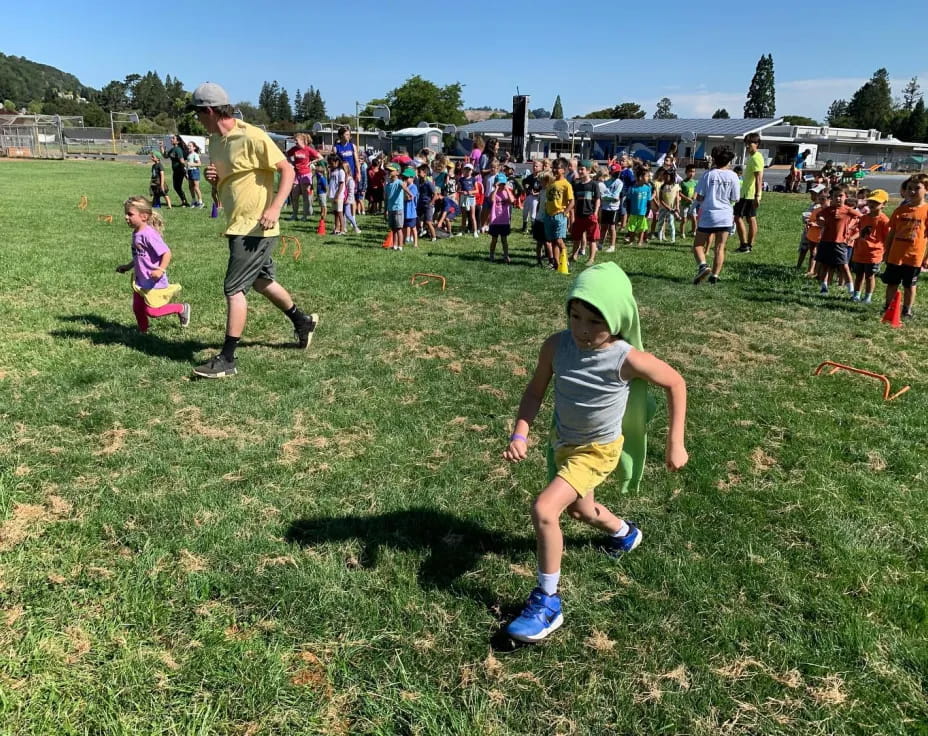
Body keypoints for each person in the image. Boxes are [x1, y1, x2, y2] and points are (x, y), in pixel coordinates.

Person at [502, 263, 688, 643]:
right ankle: (624, 534)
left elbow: (675, 382)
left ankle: (548, 602)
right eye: (575, 316)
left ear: (617, 321)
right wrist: (521, 433)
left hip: (598, 450)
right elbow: (535, 392)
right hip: (564, 445)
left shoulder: (626, 358)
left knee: (544, 509)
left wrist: (675, 442)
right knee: (580, 510)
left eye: (594, 322)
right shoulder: (556, 346)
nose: (582, 330)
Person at [189, 82, 318, 379]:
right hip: (237, 223)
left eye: (197, 113)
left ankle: (228, 359)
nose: (196, 118)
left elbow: (287, 169)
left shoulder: (252, 135)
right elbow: (229, 180)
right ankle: (302, 321)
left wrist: (274, 209)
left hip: (256, 226)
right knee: (261, 281)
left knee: (234, 288)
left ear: (209, 110)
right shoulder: (216, 142)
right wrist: (214, 178)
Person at [116, 195, 190, 332]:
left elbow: (166, 253)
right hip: (140, 280)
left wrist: (160, 270)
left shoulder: (149, 235)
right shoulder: (136, 233)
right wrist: (127, 266)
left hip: (153, 281)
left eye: (130, 214)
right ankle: (143, 331)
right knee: (137, 308)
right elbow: (140, 256)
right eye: (125, 214)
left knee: (152, 311)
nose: (126, 217)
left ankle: (181, 308)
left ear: (144, 216)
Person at [882, 174, 928, 319]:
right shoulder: (900, 211)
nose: (912, 191)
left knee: (909, 285)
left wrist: (926, 258)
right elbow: (892, 233)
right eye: (909, 188)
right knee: (892, 283)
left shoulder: (926, 211)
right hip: (896, 255)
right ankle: (888, 306)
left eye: (917, 188)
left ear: (926, 190)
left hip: (914, 257)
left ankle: (907, 310)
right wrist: (887, 251)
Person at [692, 146, 740, 285]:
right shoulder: (733, 176)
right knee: (720, 246)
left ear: (714, 159)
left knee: (698, 245)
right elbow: (735, 198)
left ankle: (703, 266)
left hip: (709, 214)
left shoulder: (709, 174)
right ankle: (715, 275)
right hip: (725, 215)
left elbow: (699, 196)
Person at [814, 186, 860, 295]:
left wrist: (852, 228)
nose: (838, 198)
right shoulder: (828, 210)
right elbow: (819, 215)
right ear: (832, 197)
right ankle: (824, 287)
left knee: (844, 266)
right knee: (825, 265)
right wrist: (820, 221)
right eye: (835, 196)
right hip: (826, 241)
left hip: (840, 242)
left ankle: (851, 289)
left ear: (846, 197)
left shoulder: (848, 210)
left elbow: (862, 218)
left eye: (840, 196)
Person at [849, 189, 890, 303]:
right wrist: (852, 238)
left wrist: (885, 253)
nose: (872, 204)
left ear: (884, 205)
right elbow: (860, 231)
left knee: (869, 276)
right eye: (871, 201)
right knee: (858, 275)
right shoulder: (864, 217)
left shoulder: (884, 221)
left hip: (873, 254)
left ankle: (868, 297)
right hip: (860, 252)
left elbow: (887, 238)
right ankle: (856, 295)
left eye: (876, 202)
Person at [734, 133, 764, 253]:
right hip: (746, 193)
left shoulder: (756, 157)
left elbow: (759, 178)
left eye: (749, 143)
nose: (747, 146)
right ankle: (748, 245)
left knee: (738, 217)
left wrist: (758, 195)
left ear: (756, 144)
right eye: (746, 143)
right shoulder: (753, 157)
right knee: (750, 218)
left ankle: (745, 245)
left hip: (748, 194)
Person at [543, 158, 574, 267]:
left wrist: (565, 213)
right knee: (553, 240)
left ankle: (565, 259)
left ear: (564, 170)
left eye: (557, 168)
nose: (555, 170)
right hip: (549, 215)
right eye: (553, 168)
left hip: (559, 215)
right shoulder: (552, 183)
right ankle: (556, 264)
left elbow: (572, 201)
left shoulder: (566, 184)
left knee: (559, 240)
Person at [569, 160, 601, 264]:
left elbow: (597, 199)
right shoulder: (577, 185)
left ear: (588, 170)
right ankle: (574, 255)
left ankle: (591, 258)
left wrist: (595, 212)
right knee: (576, 237)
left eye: (582, 169)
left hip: (590, 215)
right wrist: (573, 214)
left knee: (592, 238)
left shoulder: (594, 185)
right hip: (579, 215)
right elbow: (575, 201)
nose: (580, 171)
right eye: (579, 169)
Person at [286, 133, 321, 221]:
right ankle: (294, 215)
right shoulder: (294, 149)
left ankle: (305, 215)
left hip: (306, 174)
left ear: (302, 141)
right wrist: (291, 162)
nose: (295, 142)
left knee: (306, 196)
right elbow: (286, 154)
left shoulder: (308, 149)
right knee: (294, 195)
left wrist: (311, 162)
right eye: (295, 141)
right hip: (296, 174)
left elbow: (320, 157)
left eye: (296, 140)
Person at [797, 190, 828, 276]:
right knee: (812, 253)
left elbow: (827, 224)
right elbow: (811, 219)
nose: (821, 201)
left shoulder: (828, 212)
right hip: (813, 235)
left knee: (819, 255)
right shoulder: (817, 209)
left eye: (823, 199)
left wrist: (815, 224)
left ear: (828, 199)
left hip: (822, 236)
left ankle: (817, 272)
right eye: (820, 199)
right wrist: (809, 223)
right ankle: (810, 271)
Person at [487, 172, 515, 263]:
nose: (501, 186)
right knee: (494, 240)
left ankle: (506, 255)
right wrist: (496, 189)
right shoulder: (493, 193)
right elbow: (491, 200)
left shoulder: (506, 192)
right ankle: (491, 255)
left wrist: (506, 189)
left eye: (503, 184)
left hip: (504, 220)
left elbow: (512, 200)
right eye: (500, 184)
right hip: (495, 221)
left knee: (504, 240)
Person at [625, 167, 653, 247]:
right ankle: (631, 240)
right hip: (633, 212)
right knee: (631, 227)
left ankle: (640, 241)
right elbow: (628, 200)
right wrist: (628, 211)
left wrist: (647, 212)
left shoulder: (648, 188)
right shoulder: (632, 188)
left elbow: (648, 201)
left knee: (642, 227)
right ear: (640, 177)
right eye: (647, 176)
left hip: (642, 212)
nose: (648, 178)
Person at [599, 164, 623, 253]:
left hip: (614, 208)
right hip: (605, 207)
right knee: (604, 226)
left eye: (618, 172)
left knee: (612, 228)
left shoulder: (619, 183)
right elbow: (603, 195)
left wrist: (606, 197)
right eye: (615, 173)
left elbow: (615, 196)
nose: (617, 174)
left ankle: (612, 246)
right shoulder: (606, 182)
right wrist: (608, 197)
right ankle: (600, 244)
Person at [160, 134, 190, 207]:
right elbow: (165, 156)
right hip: (175, 171)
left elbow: (182, 161)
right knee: (176, 187)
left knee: (177, 186)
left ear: (178, 141)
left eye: (173, 138)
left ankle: (185, 202)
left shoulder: (178, 149)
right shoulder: (173, 149)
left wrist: (185, 172)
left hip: (180, 170)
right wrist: (161, 146)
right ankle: (184, 201)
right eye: (172, 138)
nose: (171, 139)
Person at [384, 163, 405, 250]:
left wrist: (409, 194)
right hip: (390, 209)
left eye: (391, 170)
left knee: (399, 228)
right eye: (388, 170)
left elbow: (404, 187)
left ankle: (400, 246)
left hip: (398, 209)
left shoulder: (399, 182)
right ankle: (394, 245)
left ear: (397, 172)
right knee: (393, 229)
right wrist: (385, 210)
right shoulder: (388, 185)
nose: (389, 172)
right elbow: (386, 198)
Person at [656, 171, 680, 243]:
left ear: (671, 177)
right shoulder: (662, 186)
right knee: (660, 223)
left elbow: (677, 197)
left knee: (671, 224)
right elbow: (660, 199)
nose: (665, 178)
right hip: (663, 208)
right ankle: (660, 238)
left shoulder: (676, 186)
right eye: (664, 176)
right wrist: (667, 207)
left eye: (667, 176)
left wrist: (677, 207)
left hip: (672, 209)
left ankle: (673, 240)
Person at [416, 163, 438, 242]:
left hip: (427, 205)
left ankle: (434, 237)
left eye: (419, 172)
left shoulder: (428, 183)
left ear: (425, 173)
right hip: (420, 204)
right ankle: (419, 232)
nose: (418, 173)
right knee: (417, 219)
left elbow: (435, 195)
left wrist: (431, 203)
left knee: (428, 222)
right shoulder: (419, 182)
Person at [326, 153, 346, 235]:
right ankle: (336, 228)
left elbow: (341, 184)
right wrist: (328, 173)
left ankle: (342, 229)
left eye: (331, 163)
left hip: (338, 196)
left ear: (337, 162)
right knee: (335, 213)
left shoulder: (341, 171)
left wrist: (337, 196)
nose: (330, 165)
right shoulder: (333, 171)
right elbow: (329, 182)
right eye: (329, 163)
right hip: (332, 195)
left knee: (340, 212)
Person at [521, 159, 543, 233]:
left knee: (533, 214)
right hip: (529, 196)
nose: (534, 167)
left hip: (536, 198)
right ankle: (524, 226)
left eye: (537, 166)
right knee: (525, 211)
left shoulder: (541, 178)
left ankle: (533, 228)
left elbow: (543, 190)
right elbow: (524, 182)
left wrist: (536, 194)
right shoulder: (530, 176)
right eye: (534, 166)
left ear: (541, 167)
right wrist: (526, 188)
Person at [458, 163, 479, 237]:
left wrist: (470, 192)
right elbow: (458, 190)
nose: (467, 171)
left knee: (472, 216)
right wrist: (462, 192)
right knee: (464, 216)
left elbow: (477, 190)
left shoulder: (473, 179)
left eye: (469, 170)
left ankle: (475, 231)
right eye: (466, 169)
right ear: (463, 170)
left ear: (472, 171)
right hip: (463, 198)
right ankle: (462, 231)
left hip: (471, 198)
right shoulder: (461, 179)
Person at [678, 165, 698, 238]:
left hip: (692, 204)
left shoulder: (695, 182)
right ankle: (682, 233)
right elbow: (679, 193)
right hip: (684, 204)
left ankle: (694, 232)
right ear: (686, 172)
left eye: (693, 172)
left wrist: (694, 196)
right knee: (684, 220)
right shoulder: (682, 183)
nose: (691, 173)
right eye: (690, 171)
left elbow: (697, 191)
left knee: (694, 219)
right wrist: (686, 198)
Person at [342, 161, 361, 234]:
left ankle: (356, 227)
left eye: (343, 169)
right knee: (343, 214)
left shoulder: (350, 180)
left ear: (347, 169)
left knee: (347, 214)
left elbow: (351, 192)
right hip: (342, 198)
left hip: (347, 200)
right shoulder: (343, 178)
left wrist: (348, 200)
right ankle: (344, 227)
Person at [401, 167, 419, 247]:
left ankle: (415, 243)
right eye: (404, 178)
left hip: (411, 212)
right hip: (405, 211)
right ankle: (404, 241)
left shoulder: (413, 187)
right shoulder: (405, 187)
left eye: (406, 178)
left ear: (412, 178)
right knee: (404, 227)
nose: (405, 179)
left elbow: (410, 197)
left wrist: (405, 189)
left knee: (413, 228)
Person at [185, 142, 204, 208]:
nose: (188, 147)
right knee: (190, 187)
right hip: (190, 172)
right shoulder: (188, 155)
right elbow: (187, 165)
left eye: (190, 146)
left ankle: (200, 202)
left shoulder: (195, 154)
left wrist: (191, 164)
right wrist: (186, 173)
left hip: (195, 171)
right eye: (188, 146)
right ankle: (194, 201)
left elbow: (199, 164)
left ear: (194, 148)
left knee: (196, 187)